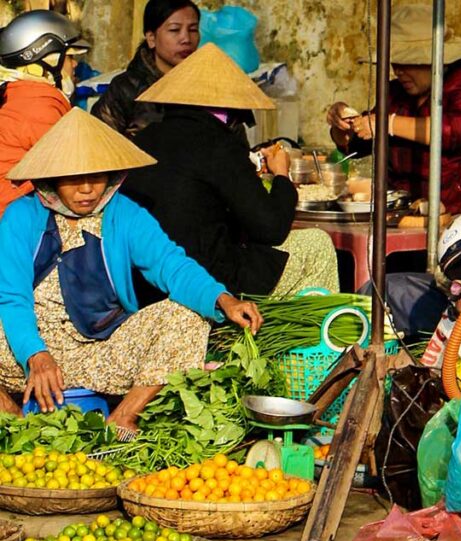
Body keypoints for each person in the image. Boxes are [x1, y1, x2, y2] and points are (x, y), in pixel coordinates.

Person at [0, 108, 262, 431]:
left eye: (96, 176)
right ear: (52, 176)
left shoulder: (124, 214)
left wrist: (223, 299)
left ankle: (123, 417)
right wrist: (35, 354)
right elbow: (12, 299)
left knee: (187, 318)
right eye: (73, 178)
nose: (87, 189)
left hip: (102, 350)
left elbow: (171, 265)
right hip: (26, 351)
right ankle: (11, 422)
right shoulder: (21, 216)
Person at [121, 44, 339, 298]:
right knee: (317, 244)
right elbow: (272, 229)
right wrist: (281, 175)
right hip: (206, 279)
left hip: (145, 281)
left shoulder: (144, 139)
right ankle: (310, 334)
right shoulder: (219, 144)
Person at [326, 4, 461, 213]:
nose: (399, 71)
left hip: (457, 212)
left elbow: (455, 130)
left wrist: (388, 124)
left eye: (409, 63)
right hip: (402, 209)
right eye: (396, 64)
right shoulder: (396, 93)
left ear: (434, 60)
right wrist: (342, 125)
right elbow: (358, 145)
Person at [0, 9, 88, 216]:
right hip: (13, 220)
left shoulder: (15, 93)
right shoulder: (37, 103)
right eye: (69, 57)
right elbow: (70, 167)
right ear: (47, 59)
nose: (75, 64)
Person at [92, 0, 200, 136]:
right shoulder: (126, 89)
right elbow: (98, 142)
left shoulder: (211, 88)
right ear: (151, 38)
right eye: (174, 30)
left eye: (193, 30)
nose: (186, 39)